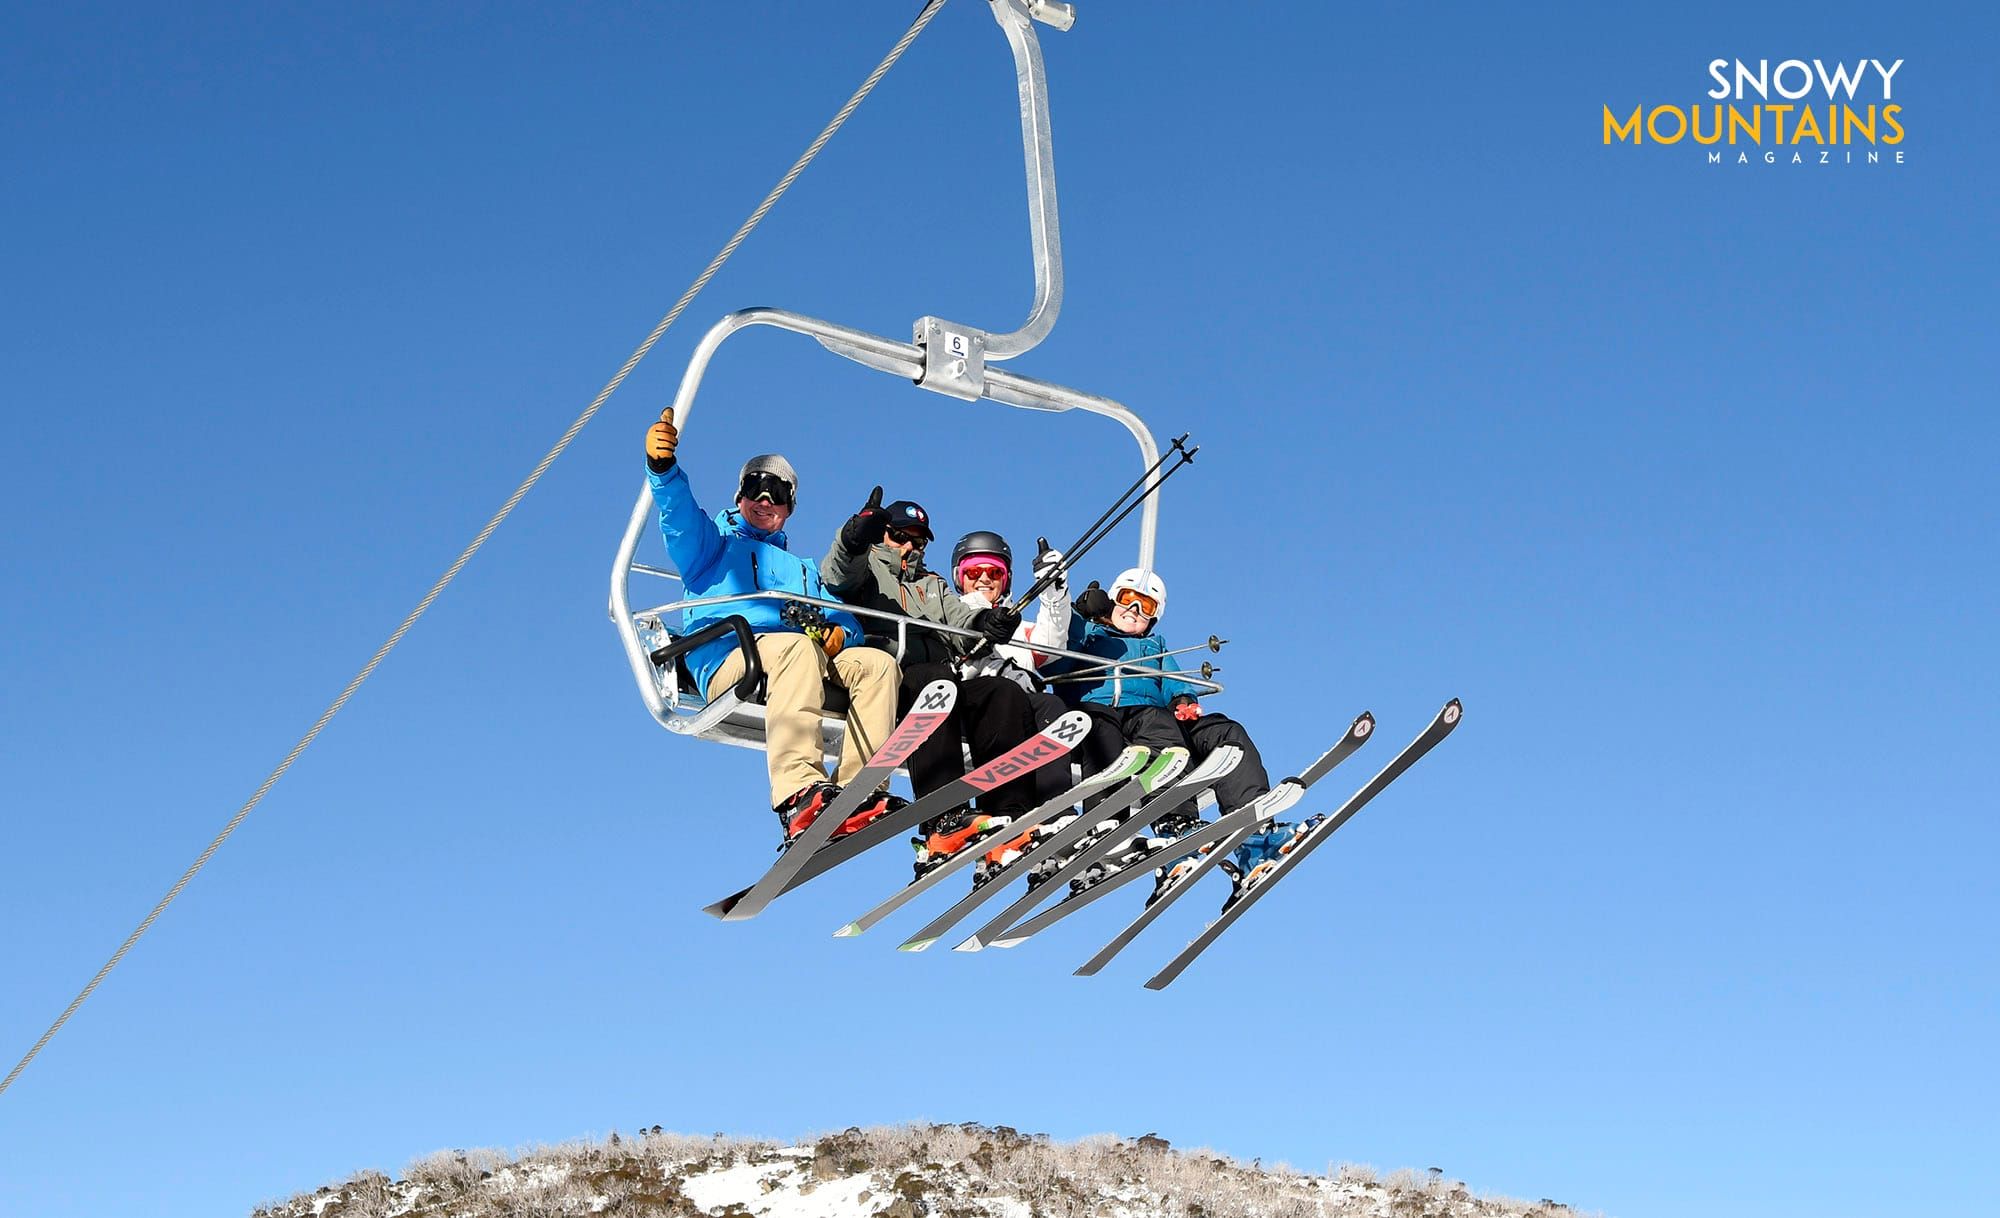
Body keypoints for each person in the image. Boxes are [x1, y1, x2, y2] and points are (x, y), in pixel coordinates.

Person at [643, 406, 903, 847]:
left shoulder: (803, 570)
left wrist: (845, 634)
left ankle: (860, 792)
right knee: (796, 649)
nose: (765, 501)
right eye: (755, 489)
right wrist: (664, 471)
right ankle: (799, 793)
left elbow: (838, 614)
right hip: (732, 655)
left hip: (797, 659)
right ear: (739, 497)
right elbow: (679, 519)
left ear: (789, 508)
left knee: (877, 664)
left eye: (777, 493)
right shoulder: (712, 546)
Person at [819, 490, 1045, 875]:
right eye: (899, 535)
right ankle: (943, 818)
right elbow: (837, 573)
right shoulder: (867, 567)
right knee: (935, 680)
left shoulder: (932, 584)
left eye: (918, 540)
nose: (909, 546)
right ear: (883, 534)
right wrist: (855, 535)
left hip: (942, 681)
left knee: (1001, 693)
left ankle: (1009, 816)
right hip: (891, 676)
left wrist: (985, 624)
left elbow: (960, 621)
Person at [1042, 567, 1297, 901]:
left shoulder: (1154, 647)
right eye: (1128, 600)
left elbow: (1173, 680)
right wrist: (1079, 609)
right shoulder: (1087, 634)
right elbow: (1054, 642)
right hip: (1096, 710)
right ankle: (1151, 826)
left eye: (1145, 607)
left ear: (1154, 618)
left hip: (1149, 714)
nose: (1134, 610)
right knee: (1110, 732)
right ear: (1112, 600)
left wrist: (1183, 699)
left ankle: (1254, 831)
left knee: (1222, 730)